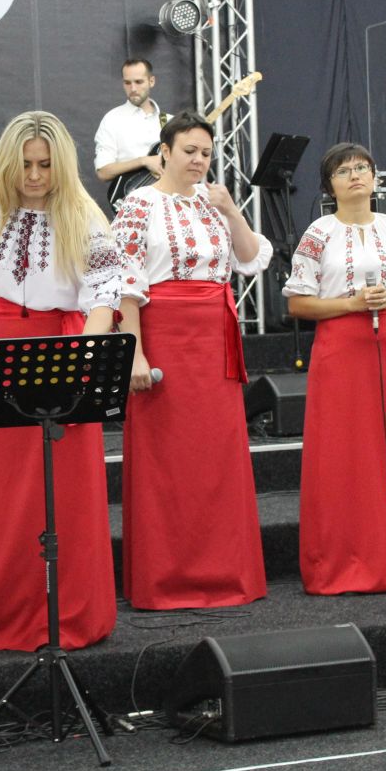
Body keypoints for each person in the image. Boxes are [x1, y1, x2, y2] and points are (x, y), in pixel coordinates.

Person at [0, 111, 123, 650]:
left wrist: (84, 359)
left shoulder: (84, 214)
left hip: (61, 349)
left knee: (63, 493)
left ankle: (65, 615)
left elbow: (104, 296)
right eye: (25, 165)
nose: (35, 176)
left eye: (45, 165)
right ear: (6, 163)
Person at [111, 112, 270, 609]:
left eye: (206, 152)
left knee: (217, 457)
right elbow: (125, 283)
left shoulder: (213, 200)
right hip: (165, 335)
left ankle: (225, 573)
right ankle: (167, 579)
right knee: (167, 458)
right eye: (189, 151)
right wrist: (134, 352)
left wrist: (232, 211)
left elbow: (251, 259)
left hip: (214, 338)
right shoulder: (138, 204)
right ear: (164, 152)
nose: (199, 160)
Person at [283, 143, 386, 595]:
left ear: (375, 177)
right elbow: (297, 303)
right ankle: (338, 562)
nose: (355, 176)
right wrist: (349, 304)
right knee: (339, 455)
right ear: (329, 185)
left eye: (362, 168)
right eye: (343, 171)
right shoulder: (319, 232)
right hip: (339, 348)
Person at [94, 59, 166, 200]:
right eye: (127, 83)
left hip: (166, 202)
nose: (133, 89)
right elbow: (103, 172)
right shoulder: (112, 119)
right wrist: (143, 161)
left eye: (139, 82)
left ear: (151, 81)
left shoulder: (167, 121)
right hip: (129, 202)